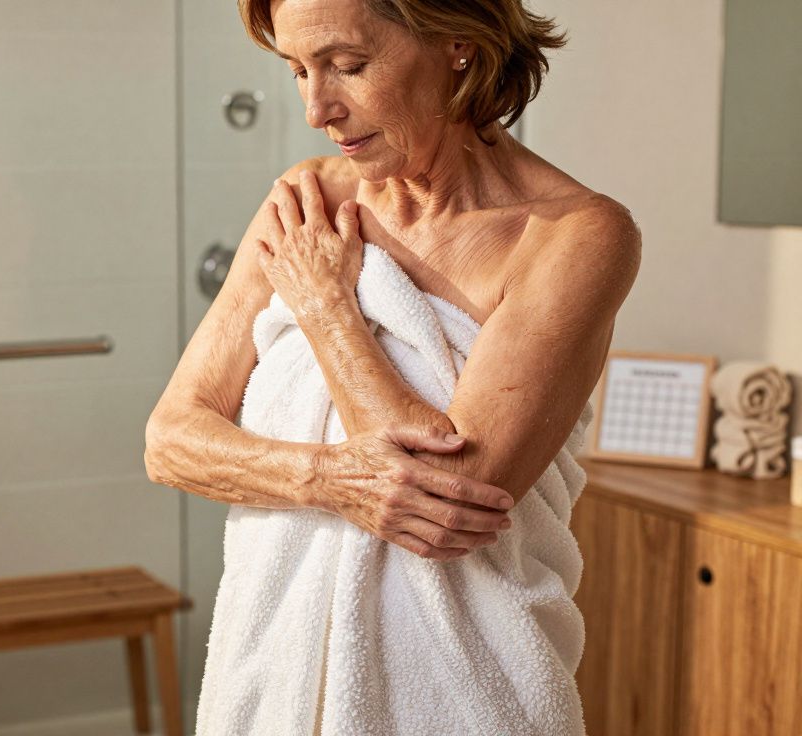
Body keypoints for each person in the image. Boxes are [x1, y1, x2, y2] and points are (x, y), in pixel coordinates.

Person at [144, 0, 641, 733]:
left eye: (348, 65)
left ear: (458, 44)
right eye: (298, 71)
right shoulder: (307, 204)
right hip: (275, 682)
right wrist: (329, 480)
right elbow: (171, 440)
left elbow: (445, 504)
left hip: (471, 686)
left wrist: (327, 310)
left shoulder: (574, 236)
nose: (317, 109)